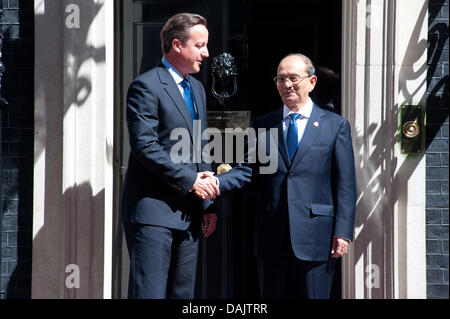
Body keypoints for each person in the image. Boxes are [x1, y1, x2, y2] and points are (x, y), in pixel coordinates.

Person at [217, 53, 356, 299]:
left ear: (312, 82)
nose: (287, 85)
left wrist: (343, 232)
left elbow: (345, 183)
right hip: (272, 236)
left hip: (317, 236)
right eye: (281, 79)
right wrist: (215, 182)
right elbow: (245, 170)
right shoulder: (262, 125)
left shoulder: (335, 126)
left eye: (293, 78)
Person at [121, 13, 220, 299]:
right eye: (200, 45)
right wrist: (191, 180)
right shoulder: (146, 86)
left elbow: (200, 146)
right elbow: (145, 147)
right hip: (153, 211)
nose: (206, 53)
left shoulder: (197, 89)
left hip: (189, 213)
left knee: (183, 295)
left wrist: (208, 203)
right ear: (177, 45)